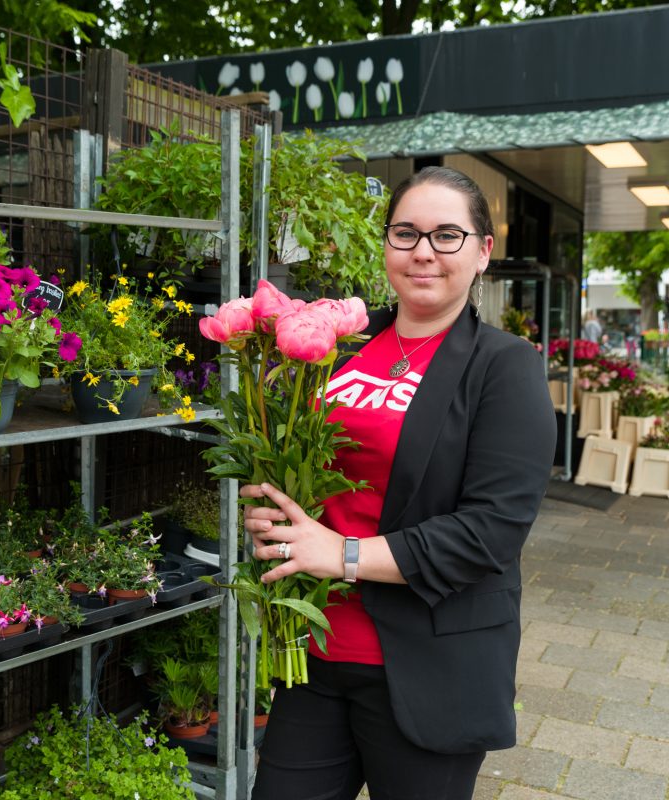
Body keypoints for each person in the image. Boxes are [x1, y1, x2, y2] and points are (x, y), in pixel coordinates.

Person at [242, 166, 556, 800]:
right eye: (406, 233)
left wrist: (342, 554)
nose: (423, 252)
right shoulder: (343, 347)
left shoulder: (505, 366)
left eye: (447, 236)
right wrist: (280, 519)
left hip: (426, 667)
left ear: (482, 251)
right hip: (316, 654)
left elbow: (490, 533)